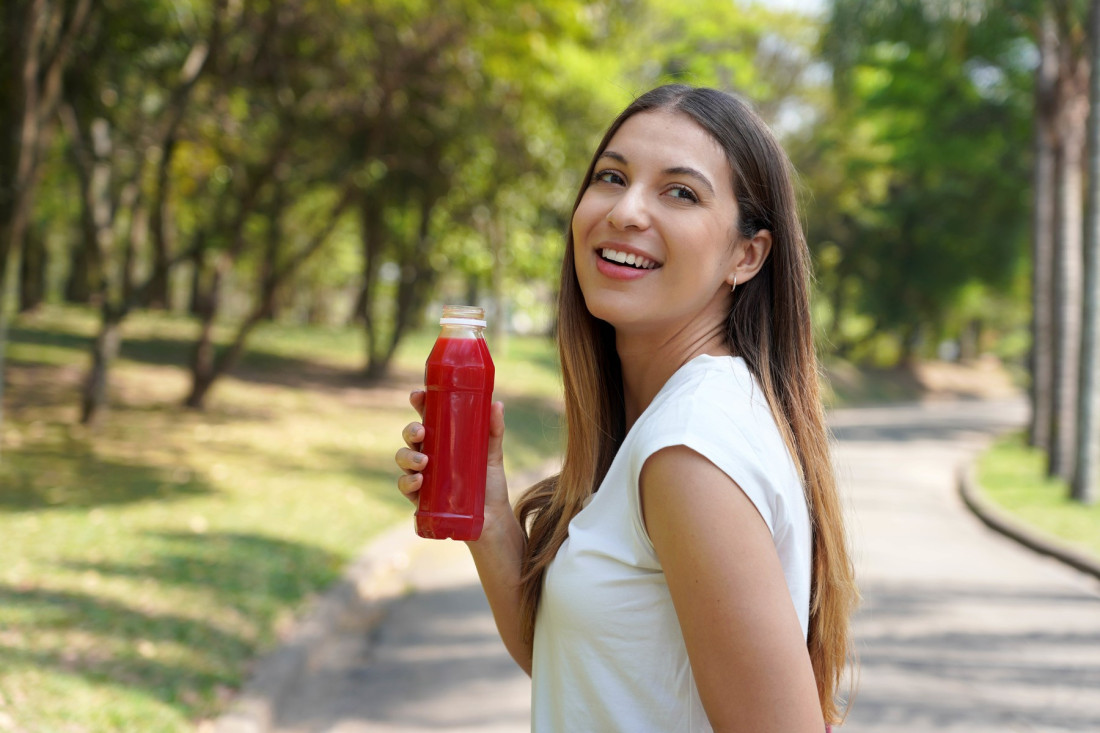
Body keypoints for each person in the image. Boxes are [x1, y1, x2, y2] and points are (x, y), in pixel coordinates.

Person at [395, 83, 858, 732]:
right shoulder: (673, 420)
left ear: (746, 255)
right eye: (612, 177)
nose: (627, 211)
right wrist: (489, 513)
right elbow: (588, 671)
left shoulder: (690, 448)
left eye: (681, 192)